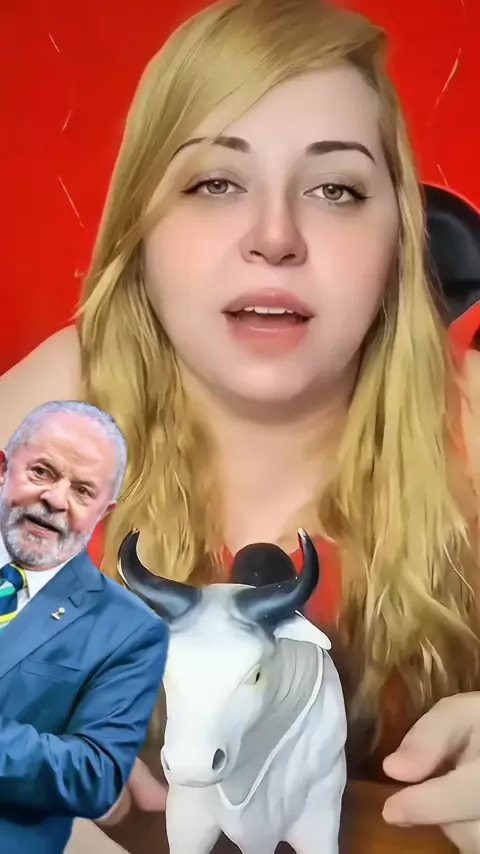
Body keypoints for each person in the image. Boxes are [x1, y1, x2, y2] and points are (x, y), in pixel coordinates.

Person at [1, 0, 480, 851]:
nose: (275, 237)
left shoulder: (470, 424)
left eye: (336, 189)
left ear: (401, 241)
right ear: (142, 229)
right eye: (215, 183)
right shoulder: (54, 421)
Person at [0, 400, 169, 853]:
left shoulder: (130, 631)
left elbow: (95, 775)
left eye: (82, 491)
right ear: (4, 469)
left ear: (103, 512)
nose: (56, 500)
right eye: (42, 472)